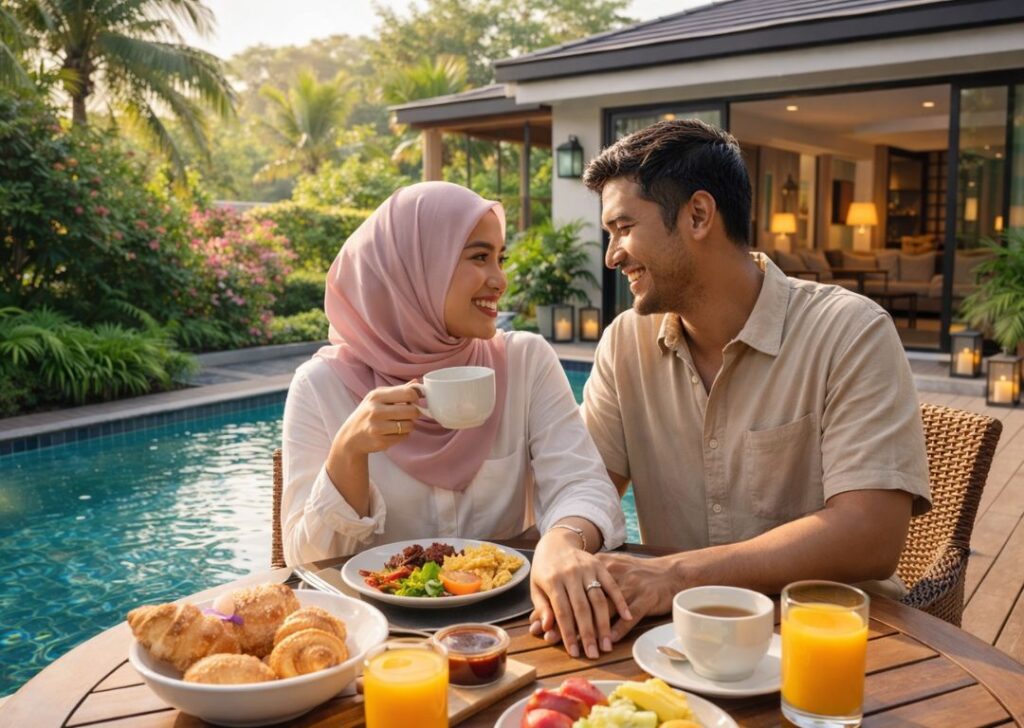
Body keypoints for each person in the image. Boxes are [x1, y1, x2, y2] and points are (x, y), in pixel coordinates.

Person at [555, 119, 931, 644]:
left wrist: (676, 576)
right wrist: (563, 542)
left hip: (832, 644)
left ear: (699, 215)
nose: (612, 254)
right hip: (677, 642)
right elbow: (585, 485)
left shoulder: (850, 332)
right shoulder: (625, 343)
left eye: (623, 227)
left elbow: (871, 534)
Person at [281, 181, 629, 660]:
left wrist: (564, 542)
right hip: (375, 649)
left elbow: (583, 484)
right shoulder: (321, 387)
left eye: (500, 258)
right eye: (478, 257)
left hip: (516, 635)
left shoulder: (525, 362)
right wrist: (349, 452)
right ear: (415, 268)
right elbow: (306, 563)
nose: (500, 279)